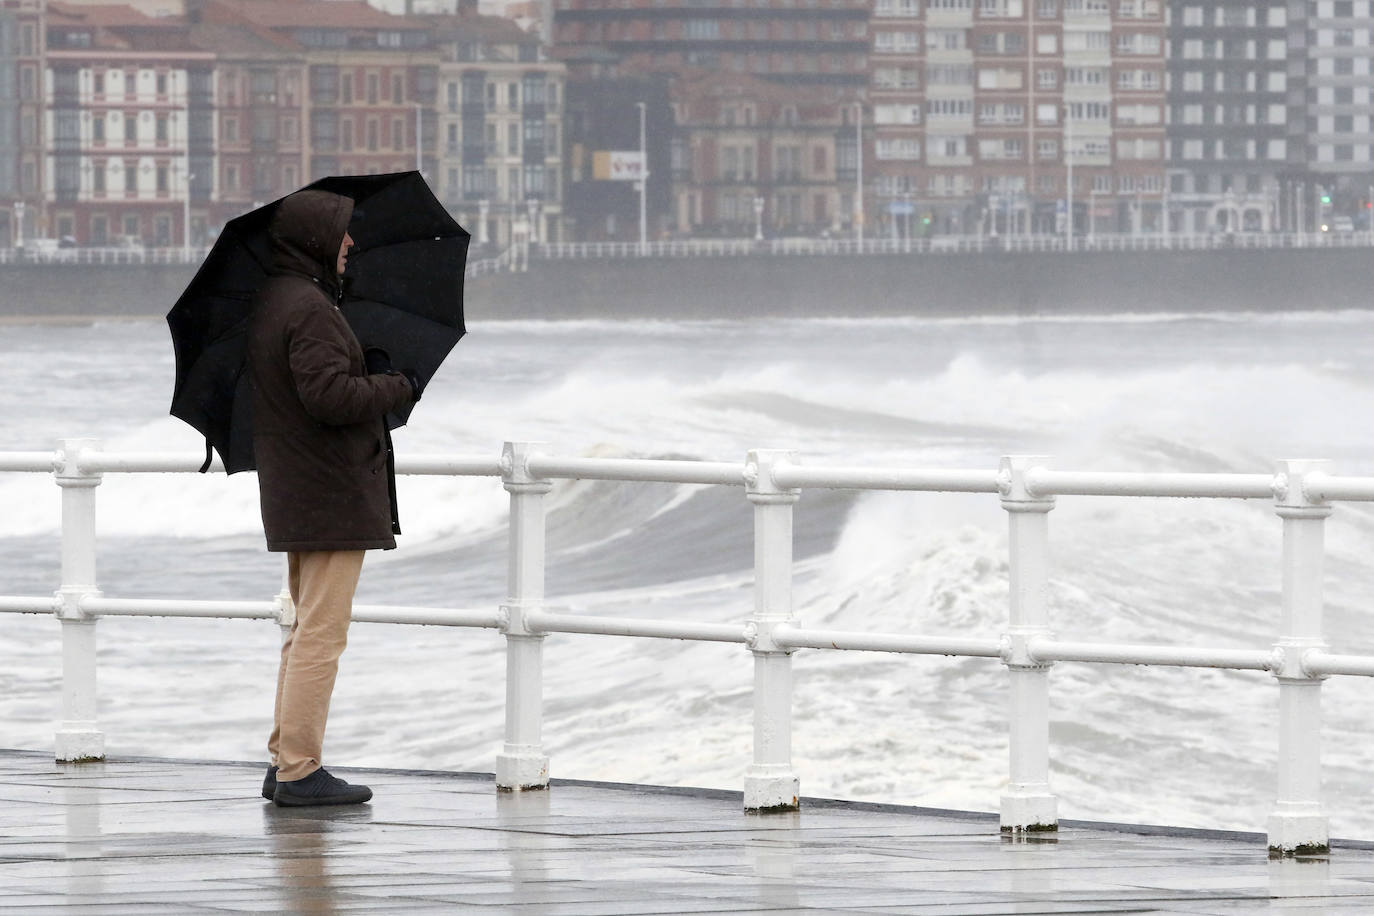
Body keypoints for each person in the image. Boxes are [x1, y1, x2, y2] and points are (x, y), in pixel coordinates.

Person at [247, 189, 419, 807]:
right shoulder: (310, 307)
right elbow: (327, 397)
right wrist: (393, 385)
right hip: (329, 493)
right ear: (317, 239)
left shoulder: (278, 299)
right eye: (342, 231)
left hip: (301, 489)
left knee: (304, 629)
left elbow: (308, 389)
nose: (350, 243)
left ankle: (285, 760)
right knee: (322, 633)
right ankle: (299, 770)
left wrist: (362, 370)